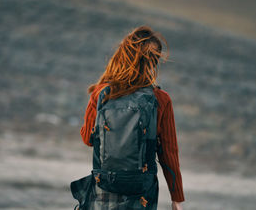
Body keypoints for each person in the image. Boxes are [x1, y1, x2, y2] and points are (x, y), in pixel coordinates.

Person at [77, 25, 184, 210]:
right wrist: (177, 198)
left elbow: (88, 139)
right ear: (153, 61)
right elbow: (168, 153)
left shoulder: (101, 93)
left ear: (123, 55)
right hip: (142, 189)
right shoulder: (160, 99)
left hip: (105, 186)